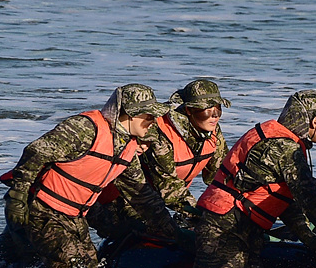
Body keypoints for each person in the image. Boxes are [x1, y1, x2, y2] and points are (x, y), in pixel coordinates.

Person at [0, 84, 179, 268]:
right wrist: (17, 196)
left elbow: (142, 195)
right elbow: (36, 151)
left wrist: (172, 232)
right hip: (43, 211)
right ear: (128, 113)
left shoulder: (127, 146)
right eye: (148, 116)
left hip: (75, 217)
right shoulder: (85, 128)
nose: (153, 121)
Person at [189, 89, 316, 268]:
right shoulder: (283, 147)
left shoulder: (281, 141)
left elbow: (284, 200)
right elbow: (311, 198)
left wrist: (308, 237)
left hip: (243, 228)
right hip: (225, 228)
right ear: (313, 121)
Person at [86, 79, 230, 238]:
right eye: (207, 108)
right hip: (125, 200)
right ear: (189, 110)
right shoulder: (159, 133)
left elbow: (221, 177)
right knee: (142, 237)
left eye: (218, 107)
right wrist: (202, 215)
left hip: (159, 202)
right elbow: (168, 188)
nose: (215, 114)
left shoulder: (210, 130)